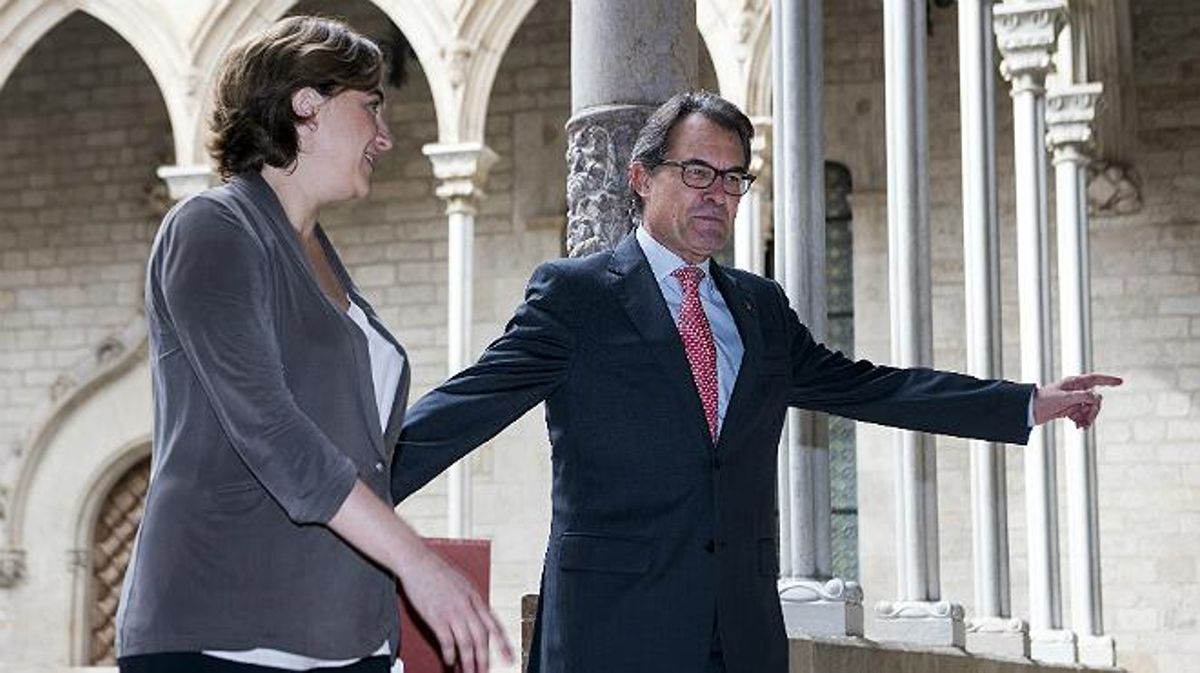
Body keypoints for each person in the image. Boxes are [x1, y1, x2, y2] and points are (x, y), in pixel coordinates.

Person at [115, 16, 512, 673]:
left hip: (346, 638)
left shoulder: (317, 252)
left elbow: (367, 457)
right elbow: (275, 433)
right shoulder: (212, 228)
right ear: (307, 104)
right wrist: (416, 561)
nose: (384, 137)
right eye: (371, 106)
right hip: (222, 636)